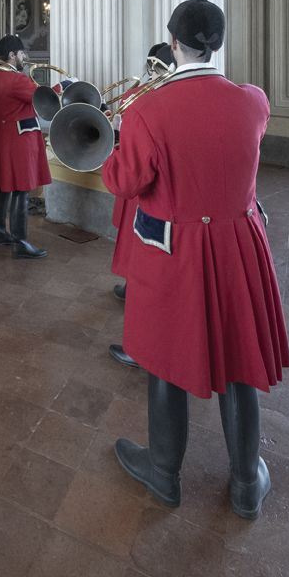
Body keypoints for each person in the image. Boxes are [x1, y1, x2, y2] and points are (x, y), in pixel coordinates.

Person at [102, 0, 289, 519]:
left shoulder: (147, 109)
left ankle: (164, 476)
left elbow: (124, 180)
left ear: (172, 40)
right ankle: (247, 482)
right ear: (219, 41)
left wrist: (121, 143)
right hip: (238, 244)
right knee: (239, 361)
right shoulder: (254, 101)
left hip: (173, 248)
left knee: (164, 359)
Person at [108, 42, 173, 368]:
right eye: (150, 65)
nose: (151, 71)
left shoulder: (163, 97)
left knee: (145, 258)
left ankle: (142, 345)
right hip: (136, 178)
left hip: (148, 186)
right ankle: (131, 285)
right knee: (135, 251)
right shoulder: (144, 90)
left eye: (157, 67)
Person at [0, 34, 50, 258]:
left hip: (0, 136)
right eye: (22, 53)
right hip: (20, 139)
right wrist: (61, 87)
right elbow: (42, 99)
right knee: (21, 190)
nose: (25, 57)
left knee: (2, 188)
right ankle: (20, 242)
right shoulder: (17, 80)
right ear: (12, 55)